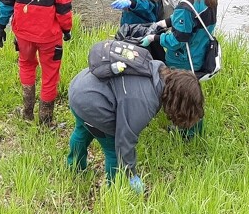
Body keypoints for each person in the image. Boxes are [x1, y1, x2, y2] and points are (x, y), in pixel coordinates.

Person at [67, 49, 203, 192]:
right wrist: (131, 174)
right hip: (90, 101)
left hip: (81, 85)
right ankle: (113, 190)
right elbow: (124, 140)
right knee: (113, 149)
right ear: (178, 102)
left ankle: (74, 167)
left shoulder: (158, 69)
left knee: (82, 130)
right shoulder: (145, 102)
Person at [146, 0, 218, 137]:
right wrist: (166, 23)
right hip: (200, 54)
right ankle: (196, 126)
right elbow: (193, 22)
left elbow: (178, 40)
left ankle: (186, 130)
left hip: (184, 60)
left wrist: (155, 38)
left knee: (182, 92)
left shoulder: (186, 5)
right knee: (193, 91)